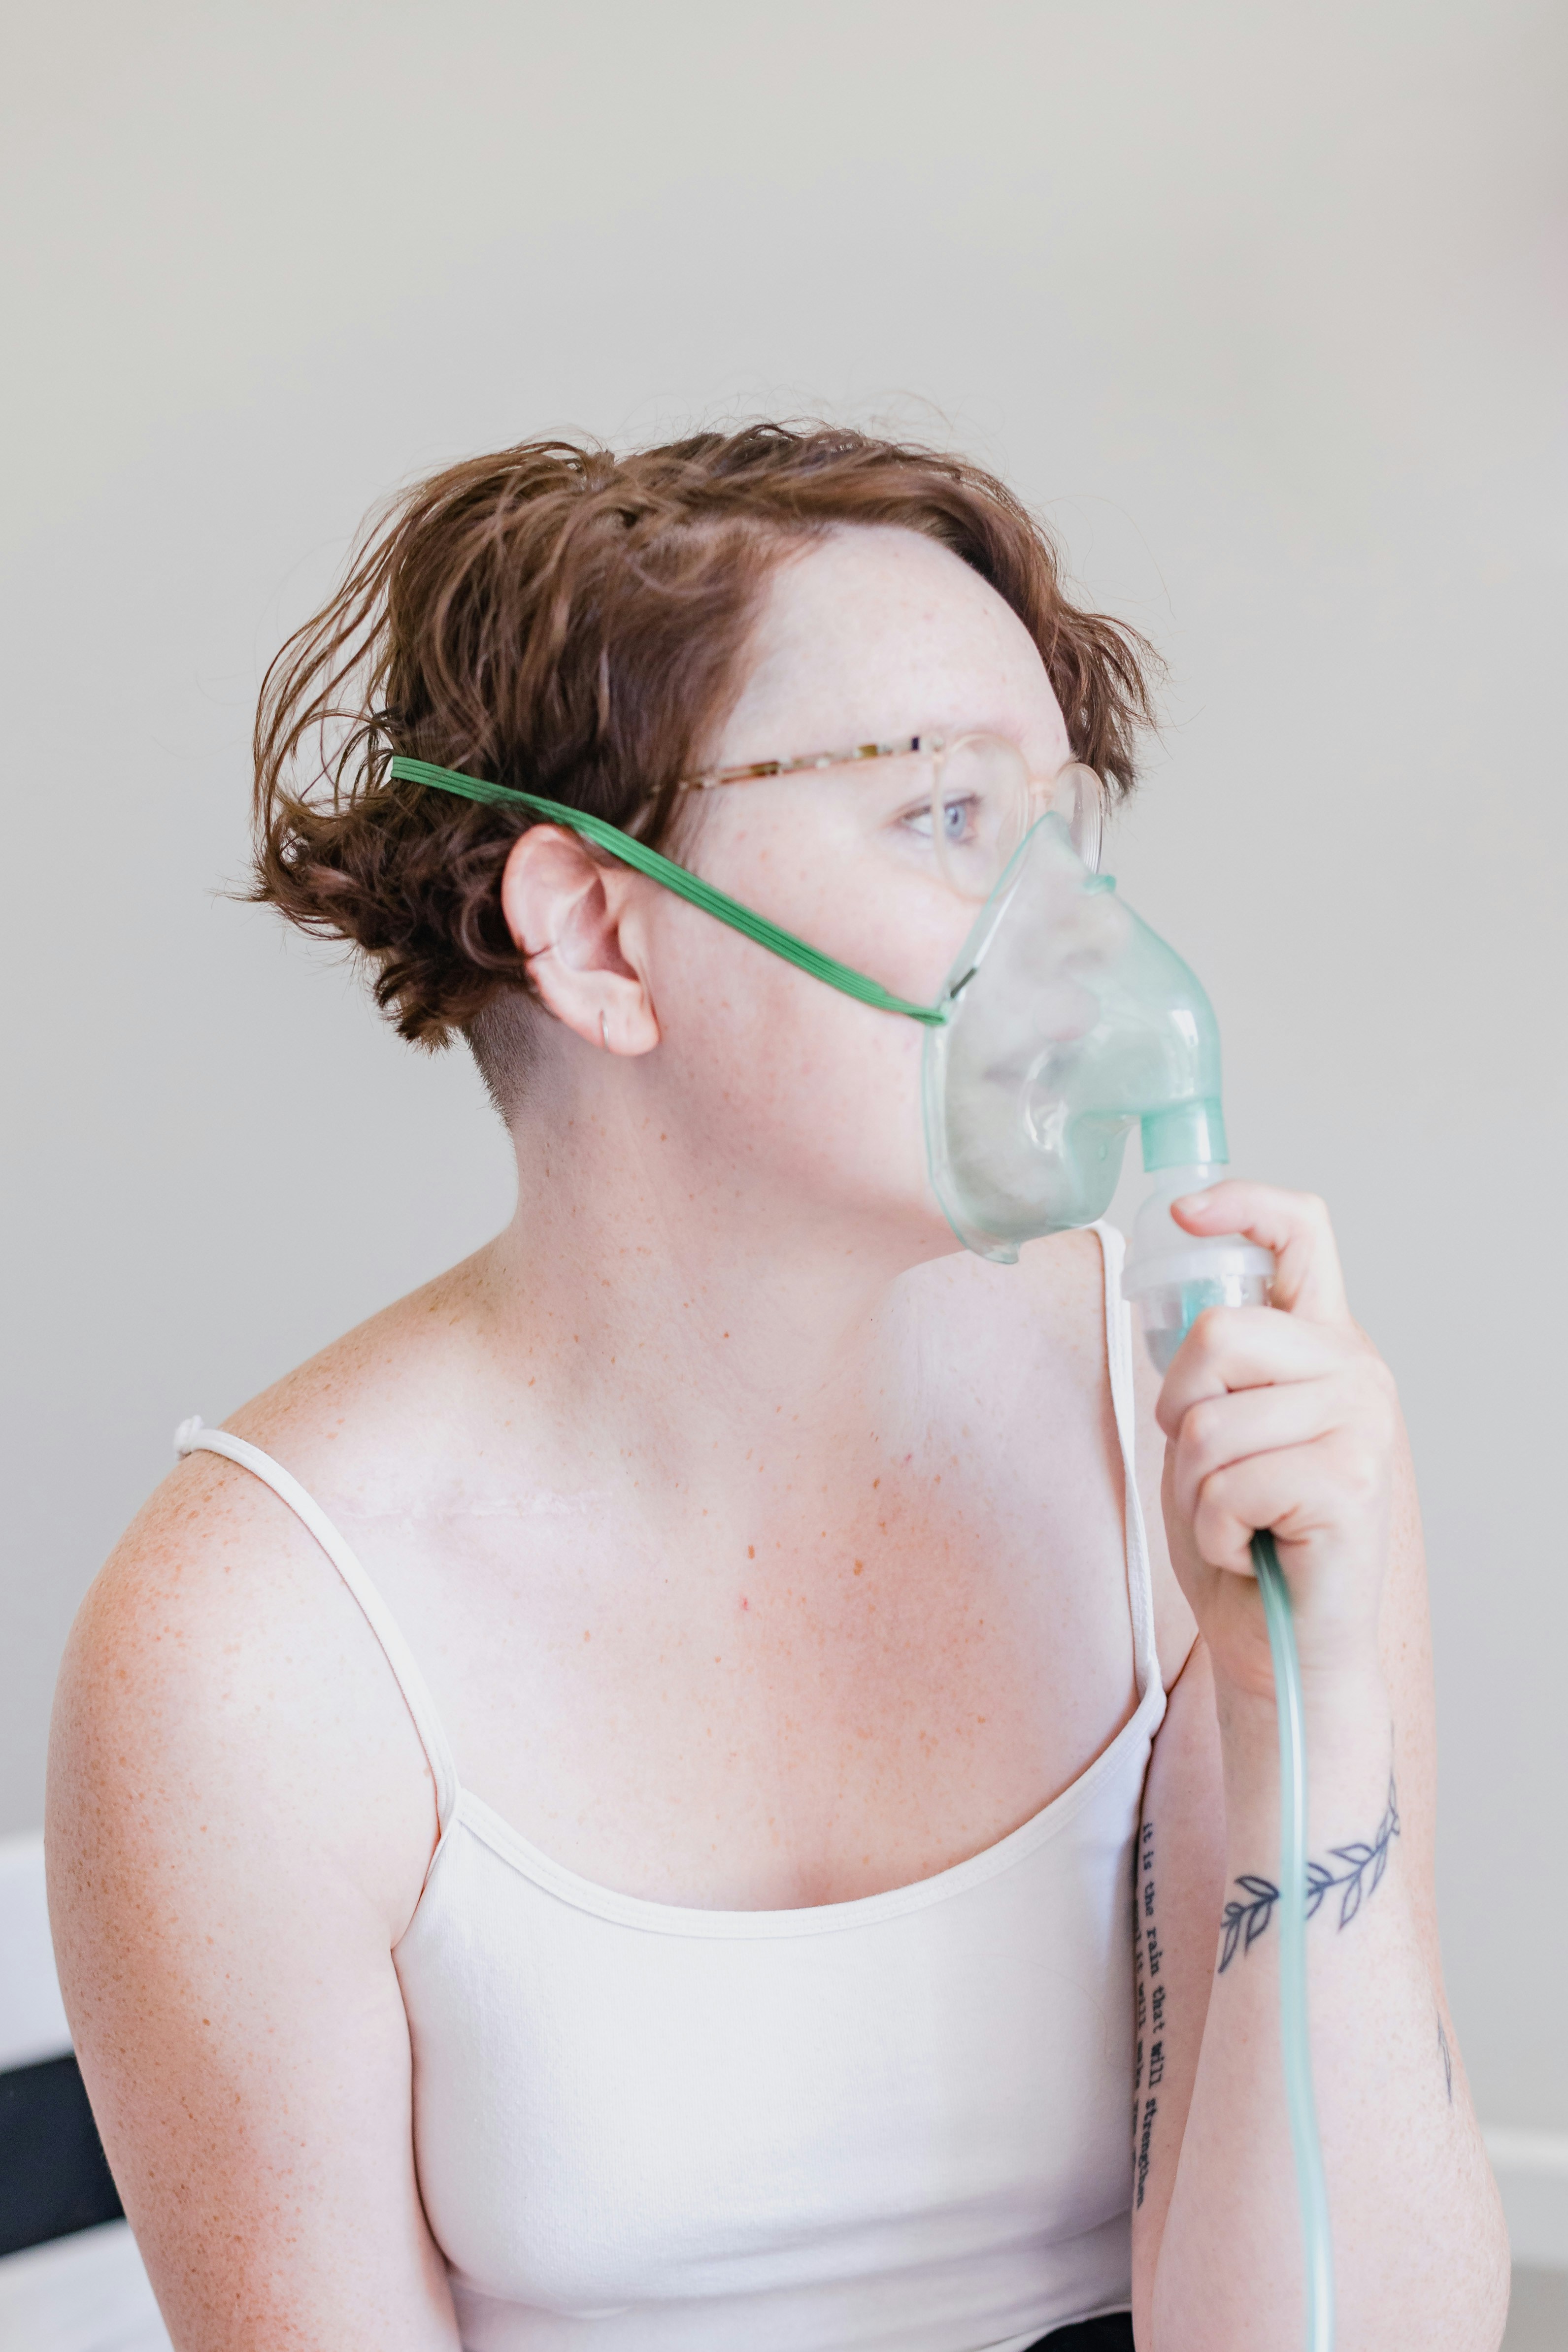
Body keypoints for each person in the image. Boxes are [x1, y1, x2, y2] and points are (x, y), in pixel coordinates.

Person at [47, 426, 1508, 2351]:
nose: (1070, 941)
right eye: (940, 818)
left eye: (1057, 827)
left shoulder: (1188, 1434)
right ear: (598, 931)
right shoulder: (255, 1652)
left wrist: (1303, 1697)